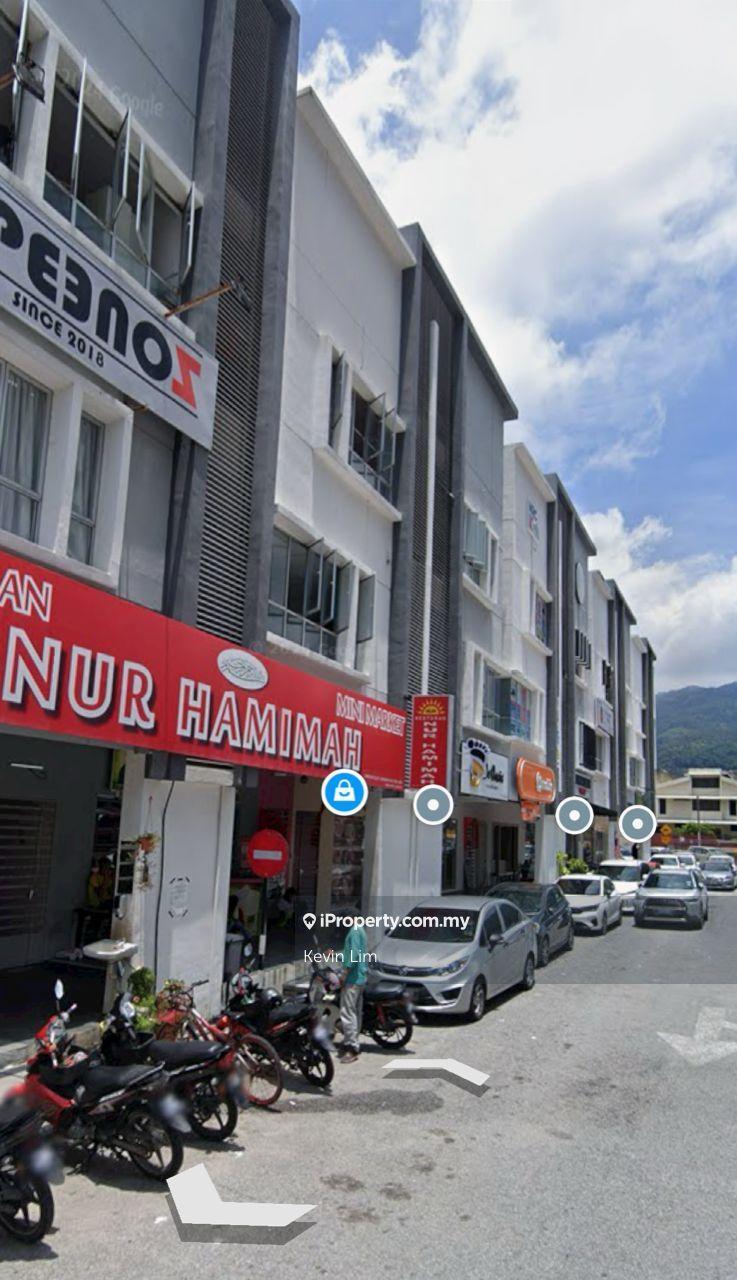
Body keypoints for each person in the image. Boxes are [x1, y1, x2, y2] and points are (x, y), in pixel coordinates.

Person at [338, 919, 368, 1064]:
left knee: (347, 1012)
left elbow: (353, 955)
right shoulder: (360, 930)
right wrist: (335, 956)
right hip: (359, 978)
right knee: (355, 1013)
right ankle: (352, 1041)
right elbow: (352, 953)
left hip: (352, 979)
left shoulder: (354, 931)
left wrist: (344, 974)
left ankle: (352, 1047)